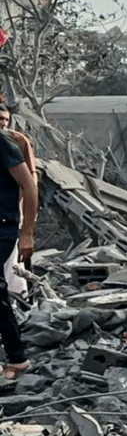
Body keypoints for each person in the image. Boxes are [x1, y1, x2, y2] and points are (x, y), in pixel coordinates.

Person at [0, 115, 37, 382]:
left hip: (3, 227)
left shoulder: (4, 143)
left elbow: (30, 186)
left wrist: (27, 233)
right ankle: (16, 357)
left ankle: (18, 358)